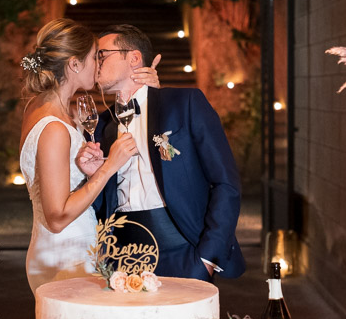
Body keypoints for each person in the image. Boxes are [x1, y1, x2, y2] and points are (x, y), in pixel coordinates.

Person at [78, 24, 245, 281]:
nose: (95, 62)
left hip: (183, 253)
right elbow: (103, 208)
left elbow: (226, 182)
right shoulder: (101, 126)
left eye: (101, 54)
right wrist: (93, 177)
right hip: (120, 260)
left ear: (134, 58)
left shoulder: (184, 104)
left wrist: (207, 258)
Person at [18, 18, 159, 294]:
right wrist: (109, 167)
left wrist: (148, 93)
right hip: (66, 255)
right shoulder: (55, 128)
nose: (99, 65)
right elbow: (57, 217)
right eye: (96, 57)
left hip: (62, 249)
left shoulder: (41, 107)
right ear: (73, 64)